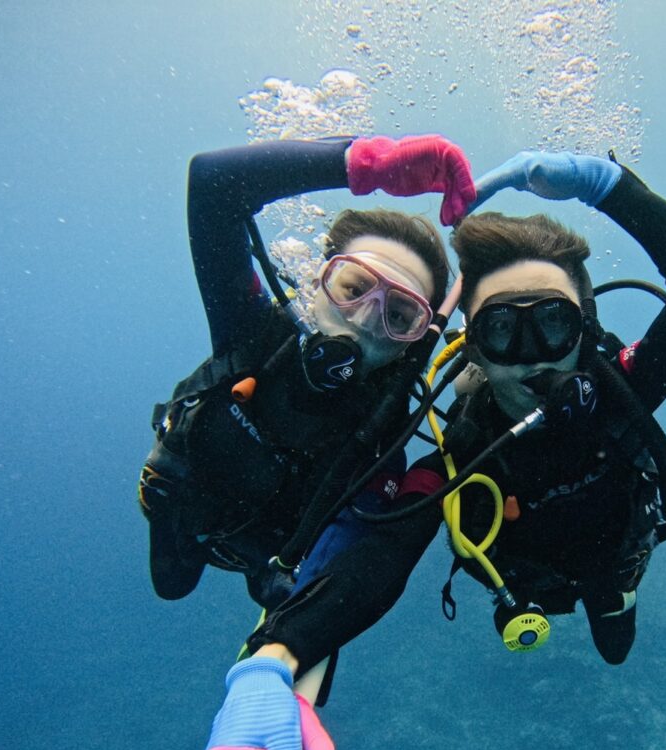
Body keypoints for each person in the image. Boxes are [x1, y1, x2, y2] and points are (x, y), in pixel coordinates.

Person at [181, 149, 666, 750]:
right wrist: (275, 659)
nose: (532, 357)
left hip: (616, 554)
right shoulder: (454, 447)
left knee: (613, 635)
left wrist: (614, 189)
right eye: (503, 333)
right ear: (471, 345)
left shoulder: (622, 388)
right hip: (516, 574)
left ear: (586, 328)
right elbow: (376, 553)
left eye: (553, 323)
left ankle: (615, 597)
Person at [138, 135, 474, 610]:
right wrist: (366, 164)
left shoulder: (386, 436)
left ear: (414, 343)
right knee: (171, 585)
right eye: (354, 287)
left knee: (273, 591)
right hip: (183, 512)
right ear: (318, 283)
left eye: (399, 316)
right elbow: (214, 185)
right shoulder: (253, 332)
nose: (362, 319)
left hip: (273, 558)